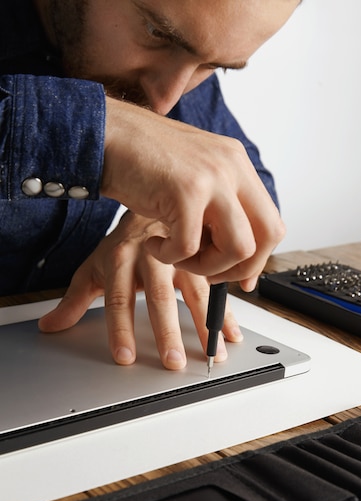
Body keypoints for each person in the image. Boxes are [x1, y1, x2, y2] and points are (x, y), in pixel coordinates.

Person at [0, 0, 300, 369]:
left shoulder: (179, 59)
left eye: (214, 66)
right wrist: (102, 130)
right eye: (156, 33)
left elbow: (248, 186)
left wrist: (167, 224)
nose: (165, 101)